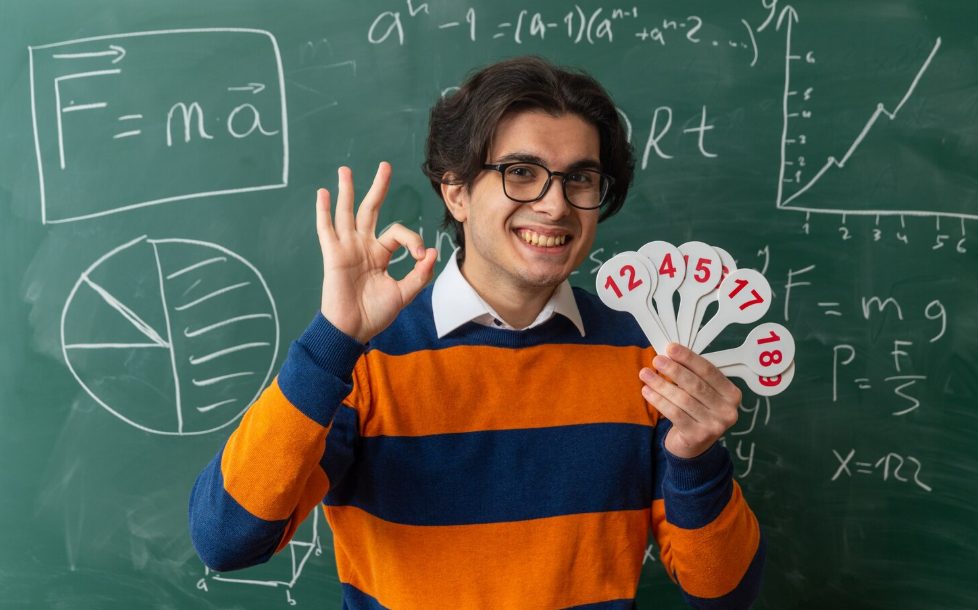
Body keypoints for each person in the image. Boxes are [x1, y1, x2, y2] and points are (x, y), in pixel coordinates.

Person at [189, 55, 765, 609]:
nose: (555, 204)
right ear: (456, 191)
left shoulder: (647, 352)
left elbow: (724, 594)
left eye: (581, 179)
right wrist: (332, 341)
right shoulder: (361, 359)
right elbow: (227, 540)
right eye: (521, 173)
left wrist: (696, 458)